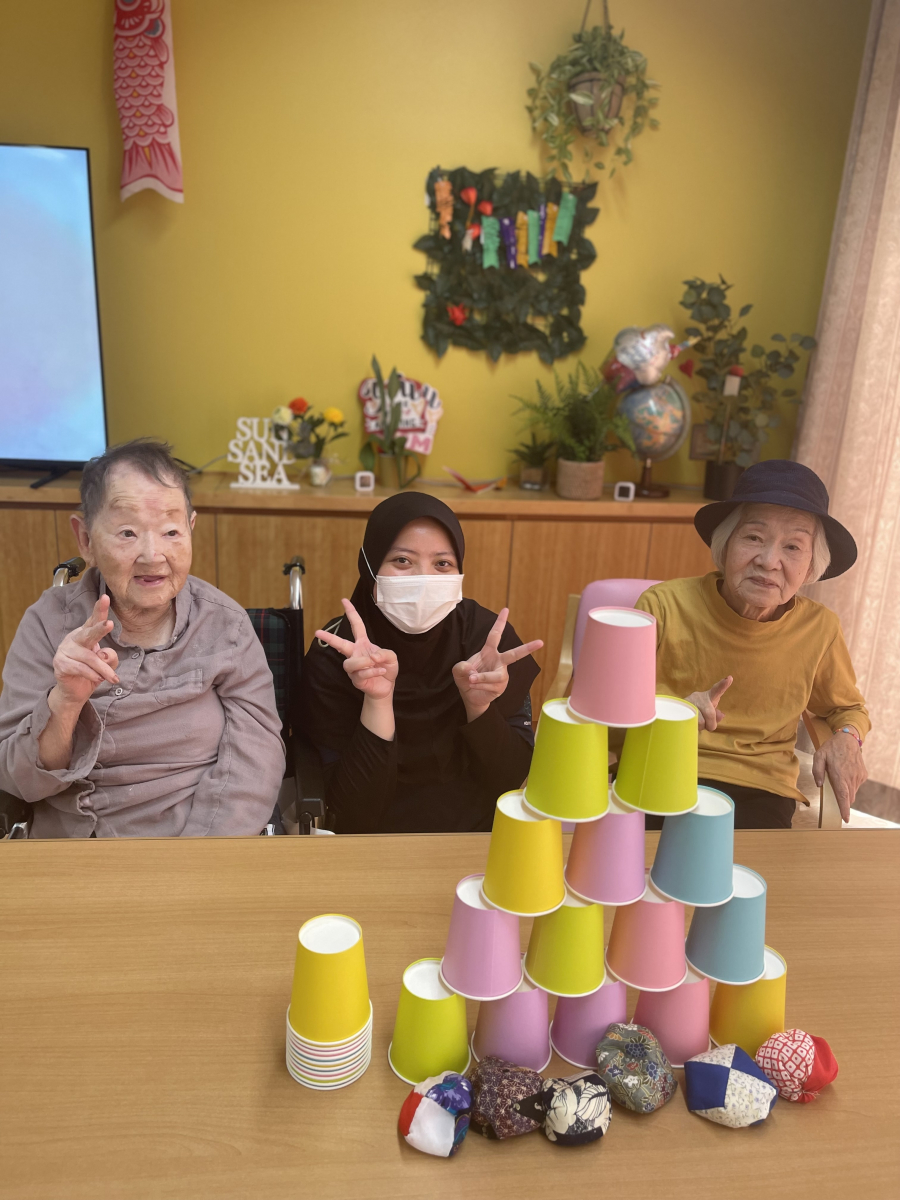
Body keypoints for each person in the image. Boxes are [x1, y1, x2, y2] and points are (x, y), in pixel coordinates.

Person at [0, 440, 284, 837]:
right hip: (73, 848)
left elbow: (255, 765)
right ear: (85, 540)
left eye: (171, 531)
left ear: (191, 528)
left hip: (195, 843)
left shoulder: (227, 627)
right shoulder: (47, 624)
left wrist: (198, 859)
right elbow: (19, 782)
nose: (153, 555)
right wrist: (64, 703)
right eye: (128, 532)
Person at [634, 459, 869, 828]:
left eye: (793, 546)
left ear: (811, 566)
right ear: (726, 543)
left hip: (760, 788)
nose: (769, 561)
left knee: (748, 865)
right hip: (660, 766)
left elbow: (848, 708)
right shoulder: (662, 606)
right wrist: (672, 713)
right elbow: (611, 708)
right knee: (645, 861)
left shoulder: (820, 629)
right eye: (754, 537)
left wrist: (847, 737)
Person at [300, 493, 543, 833]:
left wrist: (479, 708)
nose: (424, 579)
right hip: (372, 840)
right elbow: (352, 814)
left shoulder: (486, 639)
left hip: (476, 836)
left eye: (442, 564)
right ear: (369, 566)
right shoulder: (338, 653)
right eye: (402, 560)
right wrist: (378, 700)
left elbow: (510, 779)